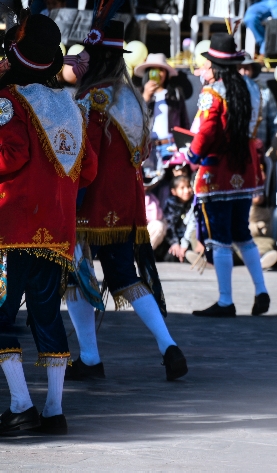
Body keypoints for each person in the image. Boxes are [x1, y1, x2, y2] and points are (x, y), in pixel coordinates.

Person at [67, 19, 187, 381]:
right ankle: (168, 345)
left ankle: (90, 357)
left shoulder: (93, 99)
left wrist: (69, 197)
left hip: (91, 200)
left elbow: (83, 157)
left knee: (76, 276)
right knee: (124, 276)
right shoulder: (132, 97)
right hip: (126, 201)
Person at [0, 13, 97, 435]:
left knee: (0, 317)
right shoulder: (69, 105)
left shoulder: (9, 99)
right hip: (57, 231)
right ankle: (55, 411)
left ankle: (21, 405)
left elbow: (12, 156)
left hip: (12, 227)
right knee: (46, 317)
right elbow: (88, 169)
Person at [187, 34, 270, 318]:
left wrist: (191, 155)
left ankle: (225, 300)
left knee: (220, 237)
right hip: (244, 168)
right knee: (242, 233)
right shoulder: (252, 88)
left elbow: (208, 131)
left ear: (214, 65)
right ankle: (261, 290)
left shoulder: (213, 93)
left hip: (218, 169)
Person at [136, 53, 190, 149]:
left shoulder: (176, 94)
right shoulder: (138, 93)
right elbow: (133, 119)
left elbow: (184, 122)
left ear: (166, 73)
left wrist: (185, 144)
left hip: (170, 146)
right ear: (148, 72)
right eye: (153, 70)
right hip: (147, 147)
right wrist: (146, 96)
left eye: (161, 70)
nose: (158, 74)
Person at [239, 53, 277, 147]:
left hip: (258, 148)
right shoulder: (227, 90)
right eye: (239, 68)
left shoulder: (264, 91)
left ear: (252, 70)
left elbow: (275, 122)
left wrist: (274, 148)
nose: (243, 72)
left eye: (246, 68)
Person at [162, 175, 195, 262]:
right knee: (170, 256)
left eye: (188, 186)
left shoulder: (194, 203)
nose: (187, 190)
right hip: (172, 240)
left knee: (187, 257)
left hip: (188, 239)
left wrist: (184, 245)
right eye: (182, 188)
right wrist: (174, 243)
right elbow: (169, 225)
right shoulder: (170, 204)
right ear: (174, 191)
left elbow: (192, 225)